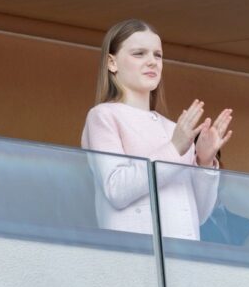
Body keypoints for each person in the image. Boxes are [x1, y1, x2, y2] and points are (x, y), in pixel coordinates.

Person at [81, 19, 232, 240]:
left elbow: (198, 215)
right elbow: (117, 190)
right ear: (112, 63)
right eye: (139, 53)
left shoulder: (175, 129)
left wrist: (205, 161)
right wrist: (174, 148)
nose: (152, 62)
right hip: (134, 256)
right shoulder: (103, 115)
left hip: (183, 256)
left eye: (157, 55)